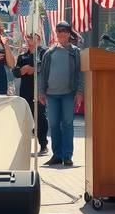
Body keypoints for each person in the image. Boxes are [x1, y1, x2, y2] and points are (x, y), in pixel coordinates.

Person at [37, 21, 84, 167]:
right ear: (56, 33)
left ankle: (67, 156)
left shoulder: (75, 52)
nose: (62, 33)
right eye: (59, 30)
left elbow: (80, 73)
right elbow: (42, 74)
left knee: (68, 124)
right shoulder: (49, 53)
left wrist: (80, 91)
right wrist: (40, 91)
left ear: (69, 33)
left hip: (68, 94)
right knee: (54, 124)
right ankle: (56, 155)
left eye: (64, 30)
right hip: (51, 94)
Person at [14, 31, 49, 156]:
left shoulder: (44, 52)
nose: (29, 40)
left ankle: (43, 144)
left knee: (40, 116)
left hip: (39, 89)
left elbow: (47, 68)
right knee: (28, 117)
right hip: (26, 90)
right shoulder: (22, 56)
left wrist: (33, 69)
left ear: (38, 39)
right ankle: (27, 145)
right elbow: (15, 72)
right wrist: (21, 71)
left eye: (32, 37)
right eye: (28, 38)